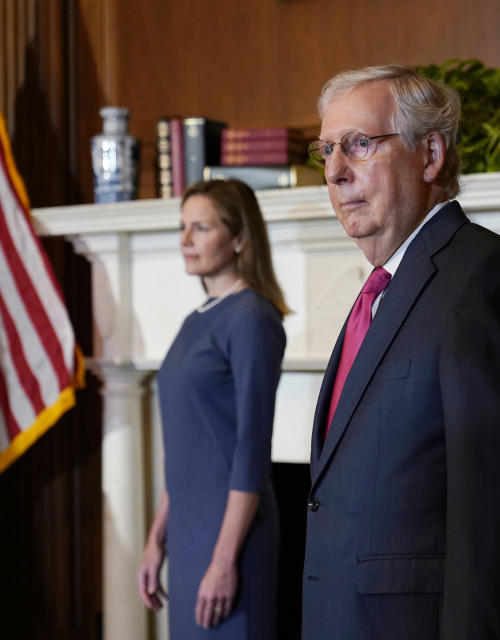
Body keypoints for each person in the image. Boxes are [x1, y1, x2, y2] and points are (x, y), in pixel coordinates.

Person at [302, 65, 500, 639]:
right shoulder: (384, 288)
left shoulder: (483, 278)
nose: (336, 172)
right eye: (325, 151)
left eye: (359, 145)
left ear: (430, 155)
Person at [137, 179, 289, 638]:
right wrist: (156, 537)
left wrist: (224, 560)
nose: (185, 241)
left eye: (200, 228)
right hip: (188, 533)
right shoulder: (195, 320)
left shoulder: (252, 317)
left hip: (232, 541)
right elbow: (188, 446)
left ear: (240, 237)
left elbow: (250, 449)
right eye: (183, 227)